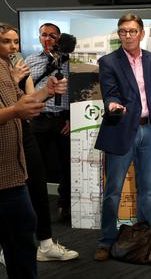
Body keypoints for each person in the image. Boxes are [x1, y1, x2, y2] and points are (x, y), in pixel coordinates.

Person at [0, 24, 79, 265]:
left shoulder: (14, 65)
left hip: (24, 130)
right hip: (13, 135)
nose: (13, 46)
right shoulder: (24, 64)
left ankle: (45, 243)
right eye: (6, 41)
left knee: (36, 185)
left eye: (15, 41)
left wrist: (47, 90)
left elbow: (28, 100)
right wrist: (19, 105)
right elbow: (18, 106)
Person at [93, 13, 151, 262]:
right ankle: (106, 241)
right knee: (113, 190)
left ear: (142, 33)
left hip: (149, 131)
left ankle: (145, 236)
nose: (128, 35)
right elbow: (110, 94)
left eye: (133, 31)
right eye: (124, 31)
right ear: (119, 34)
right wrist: (113, 105)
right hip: (122, 131)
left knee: (146, 189)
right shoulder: (108, 62)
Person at [25, 23, 72, 222]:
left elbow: (78, 91)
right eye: (44, 35)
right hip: (39, 120)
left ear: (59, 38)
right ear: (39, 37)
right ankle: (33, 209)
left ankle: (65, 206)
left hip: (63, 120)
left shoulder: (71, 61)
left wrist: (73, 118)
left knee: (68, 166)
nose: (48, 39)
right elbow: (23, 89)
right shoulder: (31, 61)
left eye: (52, 35)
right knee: (34, 166)